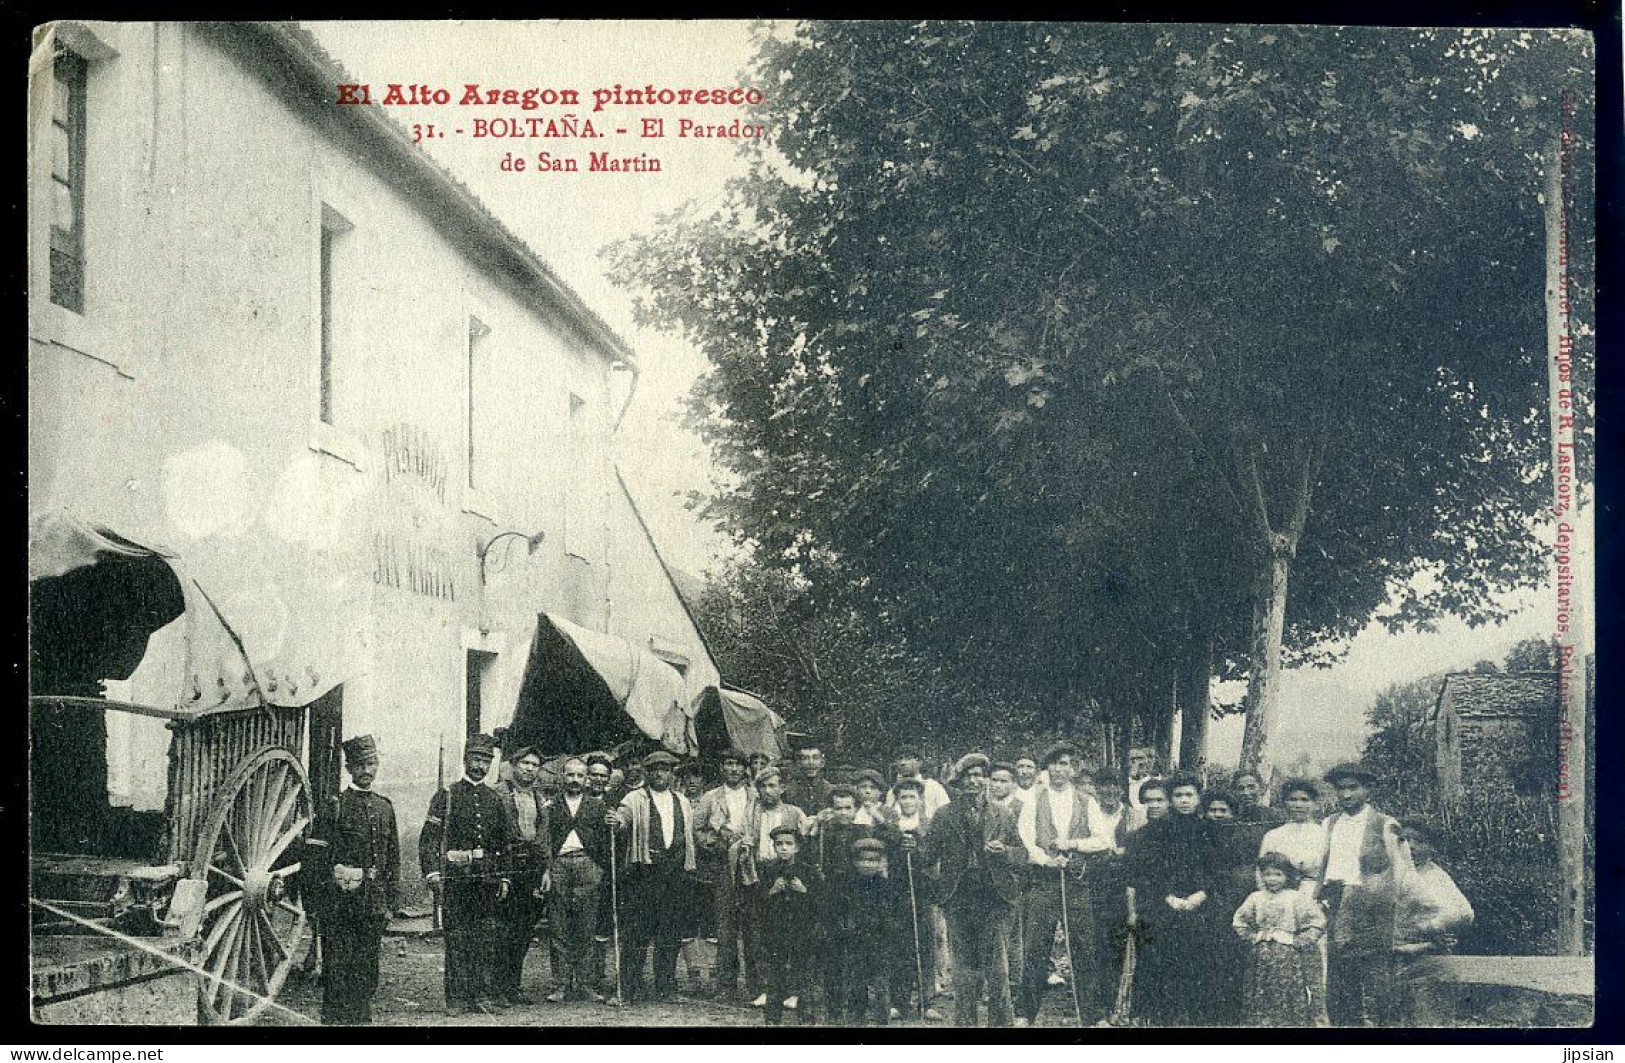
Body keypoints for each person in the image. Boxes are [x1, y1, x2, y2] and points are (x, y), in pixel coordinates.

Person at [917, 752, 1026, 1027]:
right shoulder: (944, 815)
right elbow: (927, 857)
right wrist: (937, 886)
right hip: (958, 897)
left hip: (993, 896)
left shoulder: (1002, 814)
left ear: (986, 780)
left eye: (979, 776)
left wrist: (1005, 852)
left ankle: (1001, 1025)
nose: (974, 781)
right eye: (968, 776)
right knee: (964, 971)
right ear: (960, 781)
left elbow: (1022, 854)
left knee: (997, 969)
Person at [302, 734, 398, 1025]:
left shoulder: (384, 807)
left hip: (372, 903)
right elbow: (315, 859)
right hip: (339, 903)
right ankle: (334, 1020)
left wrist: (392, 901)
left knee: (367, 965)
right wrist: (316, 903)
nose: (366, 771)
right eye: (360, 765)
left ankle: (360, 1018)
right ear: (349, 768)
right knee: (338, 964)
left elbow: (392, 858)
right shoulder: (335, 805)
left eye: (371, 764)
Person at [1015, 742, 1111, 1027]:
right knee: (1035, 948)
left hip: (1076, 881)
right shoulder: (1034, 799)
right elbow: (1025, 839)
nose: (1060, 769)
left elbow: (1102, 839)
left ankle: (1092, 1016)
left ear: (1074, 769)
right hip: (1044, 882)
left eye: (1066, 764)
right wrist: (1046, 860)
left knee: (1083, 946)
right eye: (1055, 763)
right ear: (1048, 768)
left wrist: (1072, 844)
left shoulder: (1086, 801)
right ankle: (1025, 1014)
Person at [419, 733, 512, 1016]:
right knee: (458, 939)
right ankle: (457, 998)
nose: (480, 765)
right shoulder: (447, 796)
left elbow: (502, 843)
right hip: (456, 881)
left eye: (486, 760)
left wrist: (505, 876)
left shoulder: (494, 799)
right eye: (475, 758)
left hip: (486, 881)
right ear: (465, 760)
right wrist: (433, 872)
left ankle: (481, 995)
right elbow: (429, 839)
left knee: (485, 938)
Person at [1123, 772, 1216, 1027]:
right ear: (1171, 799)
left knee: (1195, 962)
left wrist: (1201, 894)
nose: (1184, 800)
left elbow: (1216, 870)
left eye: (1189, 795)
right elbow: (1149, 873)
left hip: (1201, 904)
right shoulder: (1157, 832)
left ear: (1198, 798)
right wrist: (1169, 897)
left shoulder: (1210, 830)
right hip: (1164, 904)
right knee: (1162, 963)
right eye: (1178, 795)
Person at [609, 750, 699, 1003]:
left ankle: (666, 988)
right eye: (655, 769)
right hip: (645, 873)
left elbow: (688, 834)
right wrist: (616, 821)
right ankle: (628, 990)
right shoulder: (635, 797)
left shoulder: (681, 800)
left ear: (672, 774)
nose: (660, 773)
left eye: (666, 769)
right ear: (648, 773)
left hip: (675, 873)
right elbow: (623, 817)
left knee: (670, 934)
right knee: (638, 933)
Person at [1318, 762, 1403, 1027]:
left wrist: (1385, 902)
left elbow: (1400, 870)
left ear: (1368, 789)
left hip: (1370, 904)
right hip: (1334, 898)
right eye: (1340, 789)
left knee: (1373, 970)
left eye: (1352, 788)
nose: (1345, 795)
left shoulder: (1385, 824)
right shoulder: (1330, 823)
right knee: (1338, 970)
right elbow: (1324, 862)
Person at [732, 766, 807, 1007]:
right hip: (758, 874)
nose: (768, 791)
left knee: (792, 934)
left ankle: (793, 990)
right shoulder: (751, 813)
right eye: (763, 786)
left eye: (773, 785)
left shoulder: (794, 813)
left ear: (782, 788)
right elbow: (738, 838)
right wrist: (742, 845)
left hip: (786, 872)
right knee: (759, 934)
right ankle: (764, 987)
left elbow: (805, 843)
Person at [1392, 821, 1474, 1026]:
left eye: (1418, 841)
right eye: (1404, 839)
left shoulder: (1435, 877)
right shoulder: (1394, 874)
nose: (1410, 846)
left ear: (1432, 848)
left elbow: (1463, 913)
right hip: (1394, 959)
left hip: (1428, 961)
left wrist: (1430, 928)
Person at [543, 757, 611, 1003]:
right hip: (559, 866)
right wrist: (547, 870)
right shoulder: (550, 807)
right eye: (570, 775)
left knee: (586, 926)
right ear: (562, 777)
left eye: (579, 776)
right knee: (558, 926)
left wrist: (599, 868)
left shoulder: (597, 806)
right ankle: (560, 984)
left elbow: (605, 841)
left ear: (587, 779)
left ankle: (585, 983)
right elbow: (545, 841)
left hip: (587, 866)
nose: (574, 780)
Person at [1232, 851, 1327, 1027]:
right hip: (1261, 957)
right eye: (1267, 874)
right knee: (1261, 992)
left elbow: (1318, 921)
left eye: (1278, 874)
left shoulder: (1296, 897)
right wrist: (1252, 937)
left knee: (1287, 992)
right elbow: (1239, 921)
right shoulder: (1256, 898)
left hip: (1288, 957)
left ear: (1287, 876)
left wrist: (1301, 940)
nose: (1272, 879)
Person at [825, 837, 909, 1026]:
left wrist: (886, 926)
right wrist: (846, 928)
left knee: (881, 987)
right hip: (854, 943)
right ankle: (856, 1020)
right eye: (863, 860)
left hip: (880, 944)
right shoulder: (846, 886)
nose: (868, 864)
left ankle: (881, 1020)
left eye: (873, 860)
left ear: (880, 863)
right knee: (856, 985)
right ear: (854, 862)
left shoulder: (887, 887)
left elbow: (896, 917)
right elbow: (838, 914)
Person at [696, 749, 757, 1000]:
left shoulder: (755, 794)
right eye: (728, 764)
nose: (733, 769)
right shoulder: (711, 797)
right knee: (725, 928)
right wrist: (715, 842)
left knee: (754, 927)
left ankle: (757, 986)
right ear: (722, 768)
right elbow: (697, 829)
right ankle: (725, 986)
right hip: (723, 869)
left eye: (738, 765)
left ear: (745, 769)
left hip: (752, 867)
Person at [494, 746, 550, 1006]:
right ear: (513, 765)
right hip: (507, 867)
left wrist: (545, 870)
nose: (529, 768)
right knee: (502, 930)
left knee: (523, 931)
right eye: (525, 763)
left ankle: (512, 986)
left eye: (534, 764)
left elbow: (545, 836)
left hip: (532, 870)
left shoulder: (540, 797)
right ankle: (496, 988)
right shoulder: (499, 794)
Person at [887, 777, 942, 1021]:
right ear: (897, 801)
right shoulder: (891, 824)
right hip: (897, 890)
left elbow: (935, 858)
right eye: (903, 797)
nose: (908, 801)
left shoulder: (929, 825)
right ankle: (899, 1000)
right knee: (899, 943)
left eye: (912, 797)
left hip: (923, 890)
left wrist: (917, 848)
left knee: (925, 944)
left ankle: (926, 1000)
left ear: (920, 800)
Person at [757, 824, 823, 1025]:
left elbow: (820, 902)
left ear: (797, 848)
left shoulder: (808, 872)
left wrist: (804, 891)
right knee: (776, 975)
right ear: (774, 847)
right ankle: (772, 1018)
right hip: (776, 931)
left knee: (803, 974)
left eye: (789, 844)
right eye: (779, 844)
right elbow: (757, 903)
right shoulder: (768, 871)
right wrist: (772, 891)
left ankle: (806, 1018)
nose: (784, 848)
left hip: (802, 931)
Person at [1199, 788, 1255, 1025]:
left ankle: (1231, 1013)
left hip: (1232, 902)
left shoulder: (1241, 837)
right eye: (1213, 810)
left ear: (1233, 813)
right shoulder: (1199, 836)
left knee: (1232, 958)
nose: (1218, 814)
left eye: (1224, 810)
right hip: (1204, 905)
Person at [1259, 779, 1329, 898]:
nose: (1298, 805)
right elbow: (1260, 872)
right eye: (1292, 800)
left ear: (1315, 804)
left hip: (1315, 894)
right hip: (1279, 896)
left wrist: (1321, 899)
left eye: (1304, 800)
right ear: (1284, 803)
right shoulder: (1273, 835)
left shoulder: (1325, 834)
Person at [888, 751, 952, 819]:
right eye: (900, 759)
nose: (902, 763)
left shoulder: (933, 786)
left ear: (919, 762)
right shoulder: (892, 792)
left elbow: (946, 812)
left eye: (908, 759)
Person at [786, 740, 834, 815]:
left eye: (815, 758)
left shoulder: (830, 790)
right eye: (805, 758)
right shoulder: (789, 790)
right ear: (799, 763)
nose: (811, 762)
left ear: (822, 763)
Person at [1125, 747, 1157, 819]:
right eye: (1133, 759)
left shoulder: (1155, 784)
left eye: (1141, 758)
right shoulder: (1122, 784)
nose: (1138, 762)